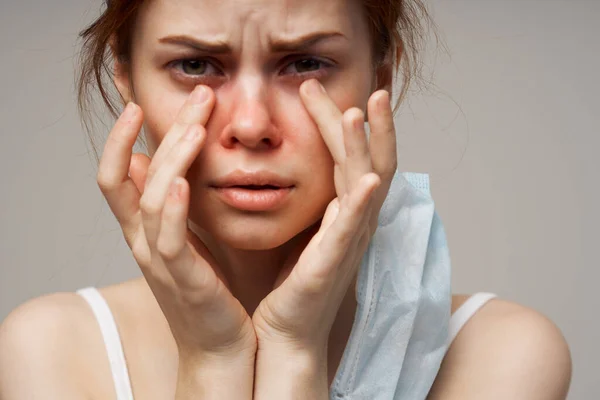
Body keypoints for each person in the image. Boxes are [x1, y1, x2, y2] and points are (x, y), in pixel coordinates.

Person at [0, 0, 572, 399]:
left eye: (306, 63)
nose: (251, 126)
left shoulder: (500, 352)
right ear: (128, 82)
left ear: (381, 75)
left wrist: (294, 350)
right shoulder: (50, 349)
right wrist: (214, 359)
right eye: (194, 65)